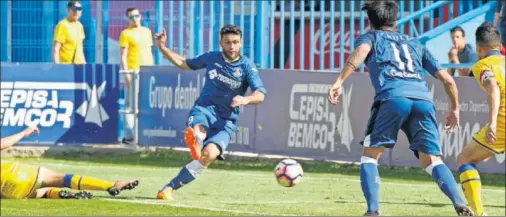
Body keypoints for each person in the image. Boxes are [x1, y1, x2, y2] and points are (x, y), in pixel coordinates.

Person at [327, 1, 473, 216]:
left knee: (370, 156)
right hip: (423, 101)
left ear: (370, 20)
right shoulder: (415, 44)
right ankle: (460, 203)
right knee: (432, 160)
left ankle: (373, 211)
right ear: (395, 20)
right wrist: (455, 109)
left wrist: (339, 81)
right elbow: (449, 81)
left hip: (393, 97)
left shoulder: (371, 38)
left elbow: (360, 53)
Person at [153, 24, 266, 200]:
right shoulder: (212, 57)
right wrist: (162, 47)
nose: (232, 46)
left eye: (235, 42)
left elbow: (260, 94)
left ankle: (168, 189)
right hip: (204, 108)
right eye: (227, 42)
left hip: (226, 121)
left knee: (209, 155)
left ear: (241, 43)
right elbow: (184, 64)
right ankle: (197, 137)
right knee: (199, 128)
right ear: (220, 42)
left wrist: (245, 99)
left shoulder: (247, 66)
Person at [1, 126, 139, 199]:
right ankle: (111, 185)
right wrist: (23, 133)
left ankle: (64, 196)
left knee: (41, 192)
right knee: (63, 179)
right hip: (14, 175)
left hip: (13, 194)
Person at [456, 22, 505, 216]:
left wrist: (492, 122)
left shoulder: (482, 65)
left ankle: (478, 213)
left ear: (478, 48)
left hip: (502, 122)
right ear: (500, 46)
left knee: (465, 159)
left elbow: (493, 87)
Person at [119, 7, 154, 144]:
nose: (135, 19)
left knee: (145, 104)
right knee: (130, 105)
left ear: (140, 16)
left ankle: (145, 134)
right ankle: (129, 136)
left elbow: (149, 52)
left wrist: (152, 70)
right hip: (134, 72)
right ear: (128, 19)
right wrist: (127, 74)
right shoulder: (126, 33)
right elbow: (123, 56)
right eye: (131, 17)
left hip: (147, 72)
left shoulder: (146, 32)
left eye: (137, 16)